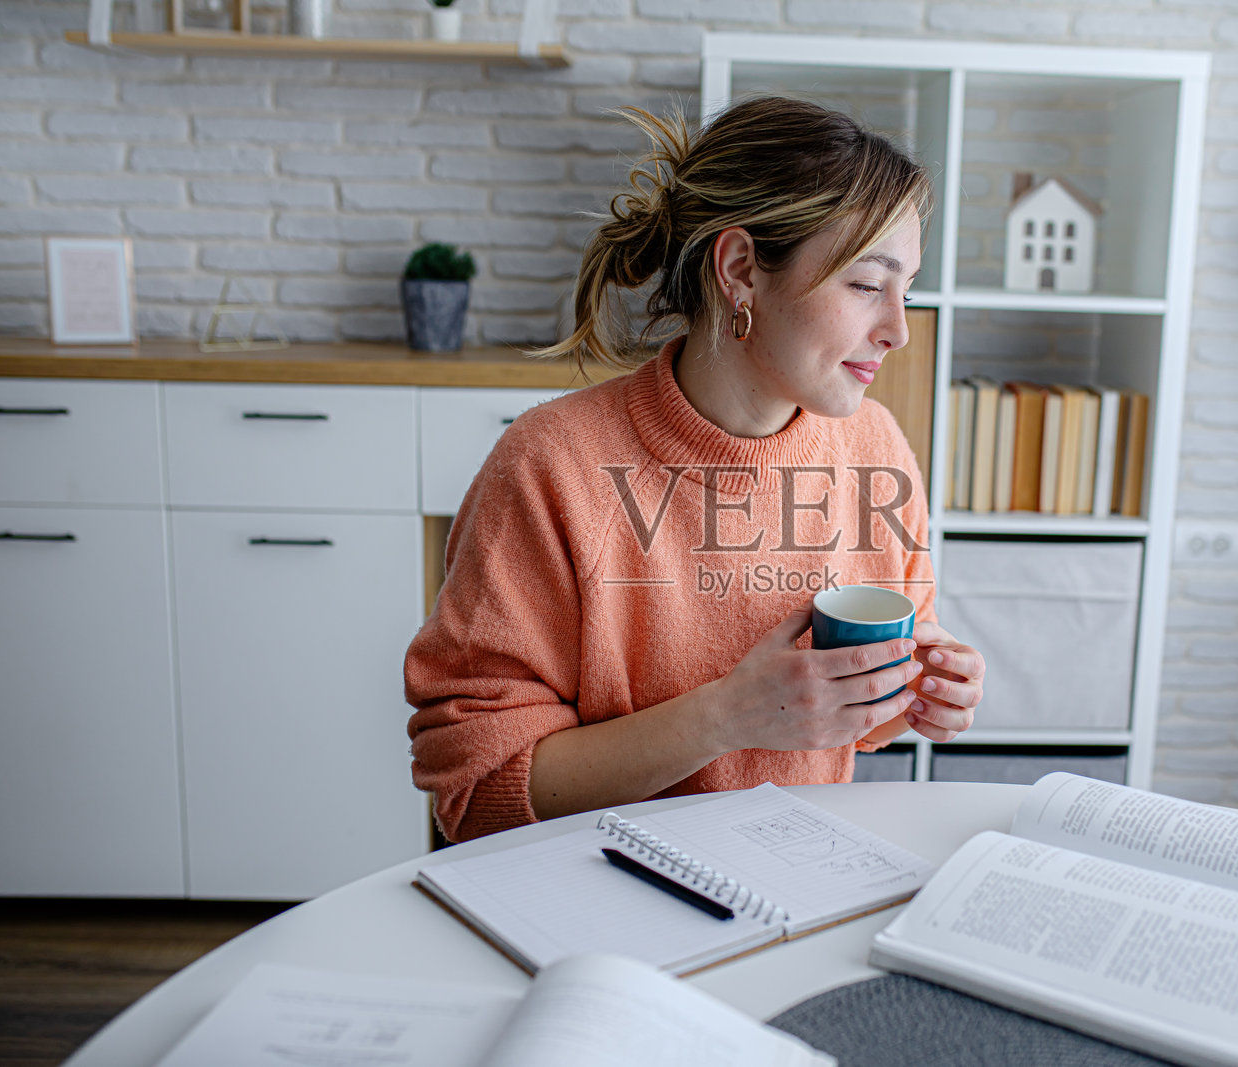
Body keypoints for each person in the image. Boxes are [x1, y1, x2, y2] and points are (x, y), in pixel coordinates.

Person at [405, 96, 986, 842]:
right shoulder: (549, 466)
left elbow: (858, 717)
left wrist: (918, 690)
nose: (899, 329)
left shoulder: (874, 445)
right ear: (741, 269)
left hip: (795, 882)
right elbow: (477, 787)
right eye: (867, 284)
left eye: (906, 290)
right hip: (599, 907)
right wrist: (728, 714)